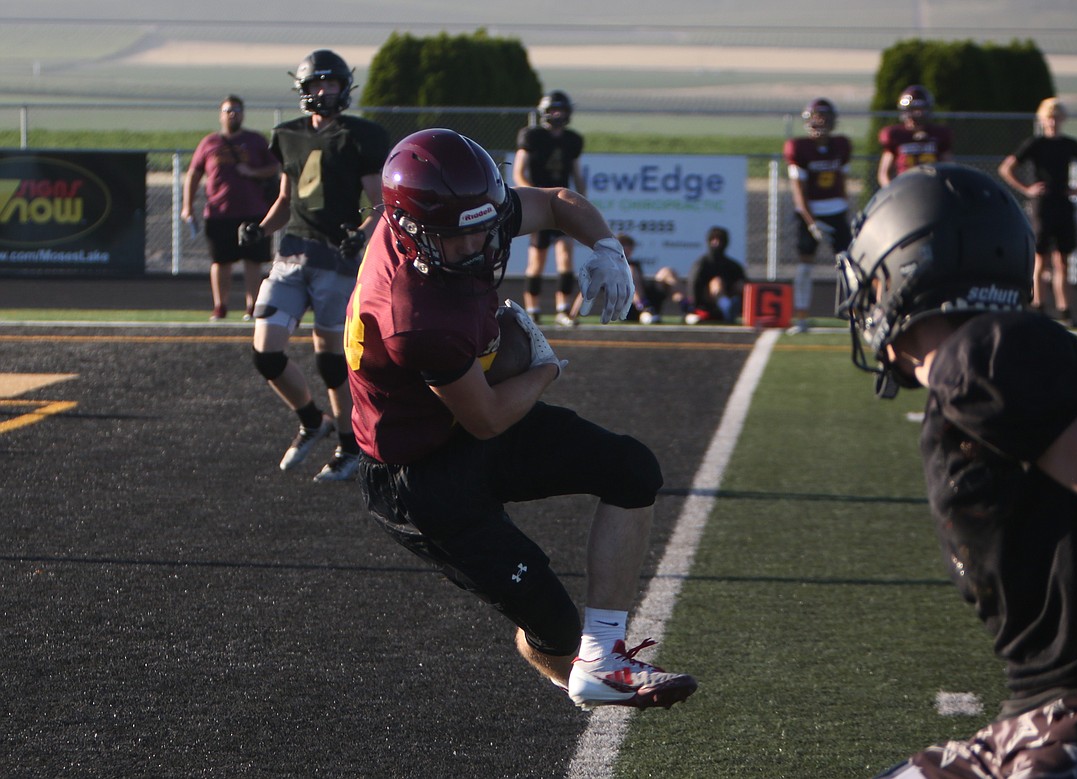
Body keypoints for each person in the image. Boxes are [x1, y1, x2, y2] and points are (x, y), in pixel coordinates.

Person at [344, 128, 698, 710]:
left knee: (631, 469)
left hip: (458, 422)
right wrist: (545, 365)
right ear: (411, 231)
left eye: (489, 225)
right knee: (554, 628)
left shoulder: (463, 216)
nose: (484, 245)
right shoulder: (415, 312)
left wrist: (607, 248)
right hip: (420, 477)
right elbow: (486, 417)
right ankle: (581, 676)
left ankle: (605, 657)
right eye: (463, 238)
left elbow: (557, 202)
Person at [836, 163, 1077, 777]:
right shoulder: (983, 363)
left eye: (874, 277)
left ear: (905, 271)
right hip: (1061, 710)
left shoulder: (981, 359)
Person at [238, 49, 390, 482]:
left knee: (331, 362)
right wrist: (260, 229)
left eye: (333, 84)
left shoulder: (359, 136)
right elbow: (286, 201)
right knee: (266, 352)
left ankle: (348, 443)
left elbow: (380, 205)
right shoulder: (288, 135)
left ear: (345, 88)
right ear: (304, 90)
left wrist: (360, 235)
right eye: (318, 84)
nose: (326, 91)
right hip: (290, 255)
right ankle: (311, 420)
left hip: (335, 260)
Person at [181, 95, 280, 321]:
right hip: (219, 212)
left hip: (254, 210)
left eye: (236, 110)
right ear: (221, 115)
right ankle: (220, 307)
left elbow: (274, 168)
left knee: (253, 261)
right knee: (220, 261)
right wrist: (187, 206)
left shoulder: (255, 141)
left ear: (243, 114)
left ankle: (252, 307)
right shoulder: (209, 143)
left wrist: (252, 172)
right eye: (228, 110)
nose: (232, 114)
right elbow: (194, 174)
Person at [997, 97, 1077, 327]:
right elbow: (1007, 168)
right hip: (1043, 205)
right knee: (1041, 258)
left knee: (1063, 260)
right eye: (1050, 118)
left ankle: (1065, 310)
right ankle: (1038, 306)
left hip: (1063, 202)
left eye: (1057, 118)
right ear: (1043, 119)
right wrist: (1027, 189)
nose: (1053, 122)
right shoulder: (1035, 144)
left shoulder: (1070, 144)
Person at [513, 90, 586, 326]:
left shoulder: (572, 140)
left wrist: (581, 203)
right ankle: (533, 310)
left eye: (561, 111)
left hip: (562, 202)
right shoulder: (532, 136)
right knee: (537, 259)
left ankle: (563, 309)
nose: (558, 115)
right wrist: (533, 194)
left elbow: (576, 173)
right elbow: (519, 171)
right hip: (539, 202)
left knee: (566, 257)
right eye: (554, 110)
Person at [783, 97, 852, 334]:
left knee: (849, 265)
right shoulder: (799, 148)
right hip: (811, 213)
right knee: (804, 268)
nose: (818, 124)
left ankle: (855, 312)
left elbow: (842, 184)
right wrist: (812, 224)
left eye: (823, 119)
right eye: (815, 119)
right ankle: (801, 317)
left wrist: (845, 210)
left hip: (835, 211)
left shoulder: (840, 146)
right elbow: (799, 194)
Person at [877, 84, 954, 188]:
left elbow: (949, 167)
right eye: (912, 109)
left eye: (919, 109)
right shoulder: (895, 135)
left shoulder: (938, 134)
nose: (915, 114)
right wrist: (891, 191)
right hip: (905, 188)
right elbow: (883, 173)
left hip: (932, 187)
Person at [615, 232, 683, 324]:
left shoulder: (635, 264)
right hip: (627, 308)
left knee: (667, 272)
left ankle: (686, 307)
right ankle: (643, 307)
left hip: (649, 300)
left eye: (629, 245)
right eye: (622, 245)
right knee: (630, 270)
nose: (626, 248)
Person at [685, 226, 746, 324]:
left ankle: (740, 309)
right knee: (717, 282)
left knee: (740, 284)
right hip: (706, 302)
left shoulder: (733, 265)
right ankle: (726, 307)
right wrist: (693, 306)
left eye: (720, 240)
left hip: (729, 296)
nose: (716, 244)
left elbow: (744, 283)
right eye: (713, 240)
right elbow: (694, 284)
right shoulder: (702, 263)